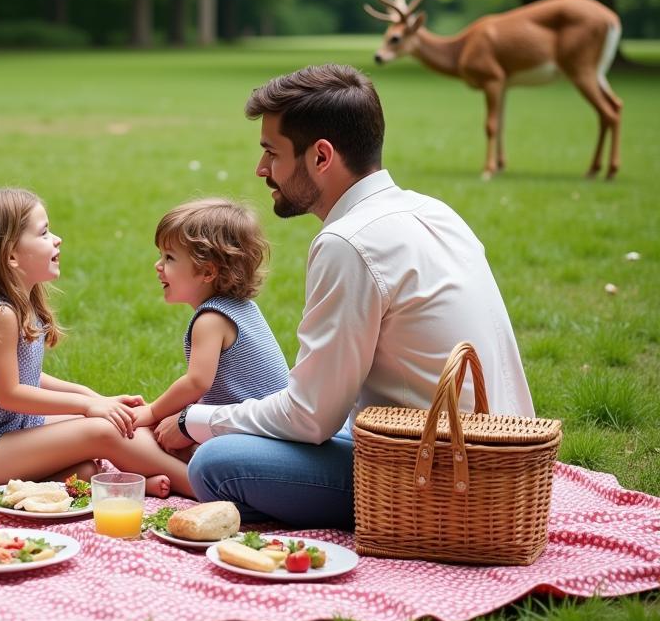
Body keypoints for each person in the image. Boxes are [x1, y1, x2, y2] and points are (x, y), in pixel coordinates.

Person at [154, 64, 534, 529]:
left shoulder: (350, 241)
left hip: (436, 475)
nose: (261, 170)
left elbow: (311, 417)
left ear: (321, 156)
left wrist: (195, 421)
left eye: (271, 153)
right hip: (508, 462)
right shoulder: (434, 211)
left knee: (217, 461)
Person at [0, 188, 193, 497]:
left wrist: (95, 398)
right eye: (44, 233)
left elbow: (26, 378)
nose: (57, 239)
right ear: (10, 255)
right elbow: (10, 393)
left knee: (108, 432)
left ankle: (142, 477)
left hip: (7, 429)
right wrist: (88, 407)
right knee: (102, 430)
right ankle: (199, 486)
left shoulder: (18, 303)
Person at [132, 198, 290, 436]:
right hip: (268, 424)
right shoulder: (242, 308)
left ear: (207, 271)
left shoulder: (211, 320)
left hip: (257, 433)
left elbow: (196, 383)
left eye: (169, 258)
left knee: (149, 439)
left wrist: (154, 411)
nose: (158, 265)